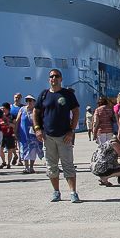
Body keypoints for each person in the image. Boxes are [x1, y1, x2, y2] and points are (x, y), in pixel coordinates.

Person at [34, 68, 80, 203]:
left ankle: (73, 192)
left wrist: (71, 130)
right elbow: (36, 112)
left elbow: (76, 112)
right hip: (48, 136)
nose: (53, 78)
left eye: (56, 76)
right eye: (51, 76)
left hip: (64, 135)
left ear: (61, 79)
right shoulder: (44, 94)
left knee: (68, 165)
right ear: (49, 79)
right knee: (51, 166)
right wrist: (37, 128)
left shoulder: (67, 94)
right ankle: (56, 192)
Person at [16, 96, 43, 173]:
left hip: (33, 134)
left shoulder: (36, 110)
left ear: (34, 101)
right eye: (27, 100)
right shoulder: (22, 109)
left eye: (30, 100)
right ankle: (26, 167)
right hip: (24, 133)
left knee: (33, 150)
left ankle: (31, 167)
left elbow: (40, 121)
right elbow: (18, 121)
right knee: (24, 149)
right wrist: (16, 131)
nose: (28, 102)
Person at [0, 102, 17, 167]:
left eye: (4, 108)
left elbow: (15, 125)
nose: (3, 109)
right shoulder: (0, 116)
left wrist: (9, 124)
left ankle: (9, 163)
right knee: (0, 149)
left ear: (7, 109)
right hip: (1, 134)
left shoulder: (12, 116)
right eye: (2, 108)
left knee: (10, 149)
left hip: (10, 134)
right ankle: (4, 162)